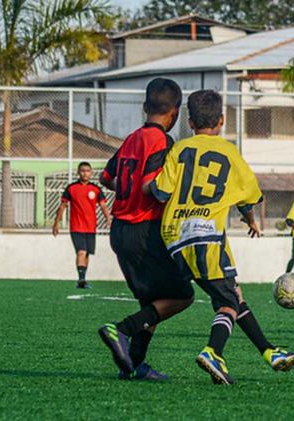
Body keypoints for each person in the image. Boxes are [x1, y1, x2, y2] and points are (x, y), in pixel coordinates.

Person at [150, 89, 294, 385]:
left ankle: (270, 352)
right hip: (207, 236)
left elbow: (161, 192)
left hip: (174, 238)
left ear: (190, 122)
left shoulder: (179, 149)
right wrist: (250, 219)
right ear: (221, 120)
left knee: (233, 294)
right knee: (228, 302)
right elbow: (249, 195)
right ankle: (213, 351)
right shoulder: (230, 152)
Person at [96, 78, 195, 381]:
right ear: (176, 112)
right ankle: (121, 330)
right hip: (144, 229)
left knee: (150, 302)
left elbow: (106, 178)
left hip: (120, 230)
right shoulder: (163, 143)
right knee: (182, 295)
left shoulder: (131, 138)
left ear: (144, 107)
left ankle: (133, 364)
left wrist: (129, 191)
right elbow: (150, 186)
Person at [52, 162, 111, 289]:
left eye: (88, 171)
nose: (85, 173)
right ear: (78, 172)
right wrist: (56, 223)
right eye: (82, 170)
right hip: (76, 227)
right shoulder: (71, 188)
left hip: (91, 227)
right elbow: (62, 206)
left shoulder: (96, 189)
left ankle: (83, 278)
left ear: (91, 173)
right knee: (81, 252)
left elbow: (103, 206)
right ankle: (81, 279)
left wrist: (108, 219)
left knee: (87, 254)